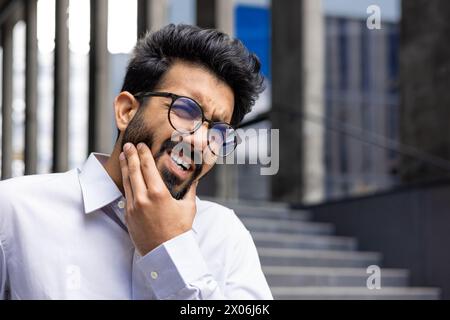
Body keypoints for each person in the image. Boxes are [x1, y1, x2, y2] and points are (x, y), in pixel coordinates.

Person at [0, 24, 273, 300]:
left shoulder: (226, 234)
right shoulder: (14, 211)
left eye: (218, 131)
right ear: (127, 111)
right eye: (186, 109)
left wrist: (170, 248)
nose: (201, 142)